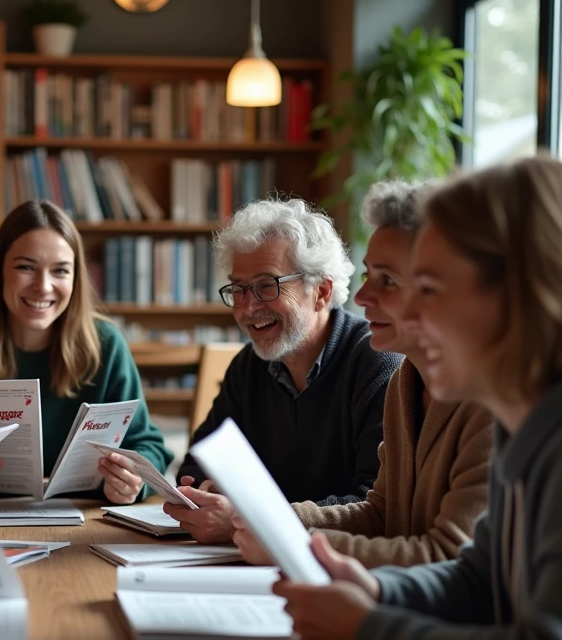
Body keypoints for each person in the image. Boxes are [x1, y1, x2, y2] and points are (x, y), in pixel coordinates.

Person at [273, 157, 562, 640]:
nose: (412, 316)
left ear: (527, 290)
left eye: (430, 288)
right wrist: (381, 596)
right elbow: (483, 580)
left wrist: (370, 634)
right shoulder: (529, 400)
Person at [233, 182, 492, 568]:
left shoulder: (493, 402)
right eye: (369, 275)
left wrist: (293, 545)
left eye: (386, 280)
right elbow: (380, 513)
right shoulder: (407, 380)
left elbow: (448, 558)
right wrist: (274, 522)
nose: (362, 296)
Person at [0, 199, 172, 504]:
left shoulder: (105, 344)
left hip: (87, 520)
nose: (43, 286)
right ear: (0, 270)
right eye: (26, 267)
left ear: (76, 279)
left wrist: (134, 483)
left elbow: (148, 446)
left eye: (60, 271)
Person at [167, 198, 401, 543]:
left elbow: (375, 507)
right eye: (238, 288)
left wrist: (251, 519)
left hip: (333, 572)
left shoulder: (378, 364)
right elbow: (196, 466)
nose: (248, 308)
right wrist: (210, 491)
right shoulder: (248, 366)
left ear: (321, 291)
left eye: (266, 285)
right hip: (251, 561)